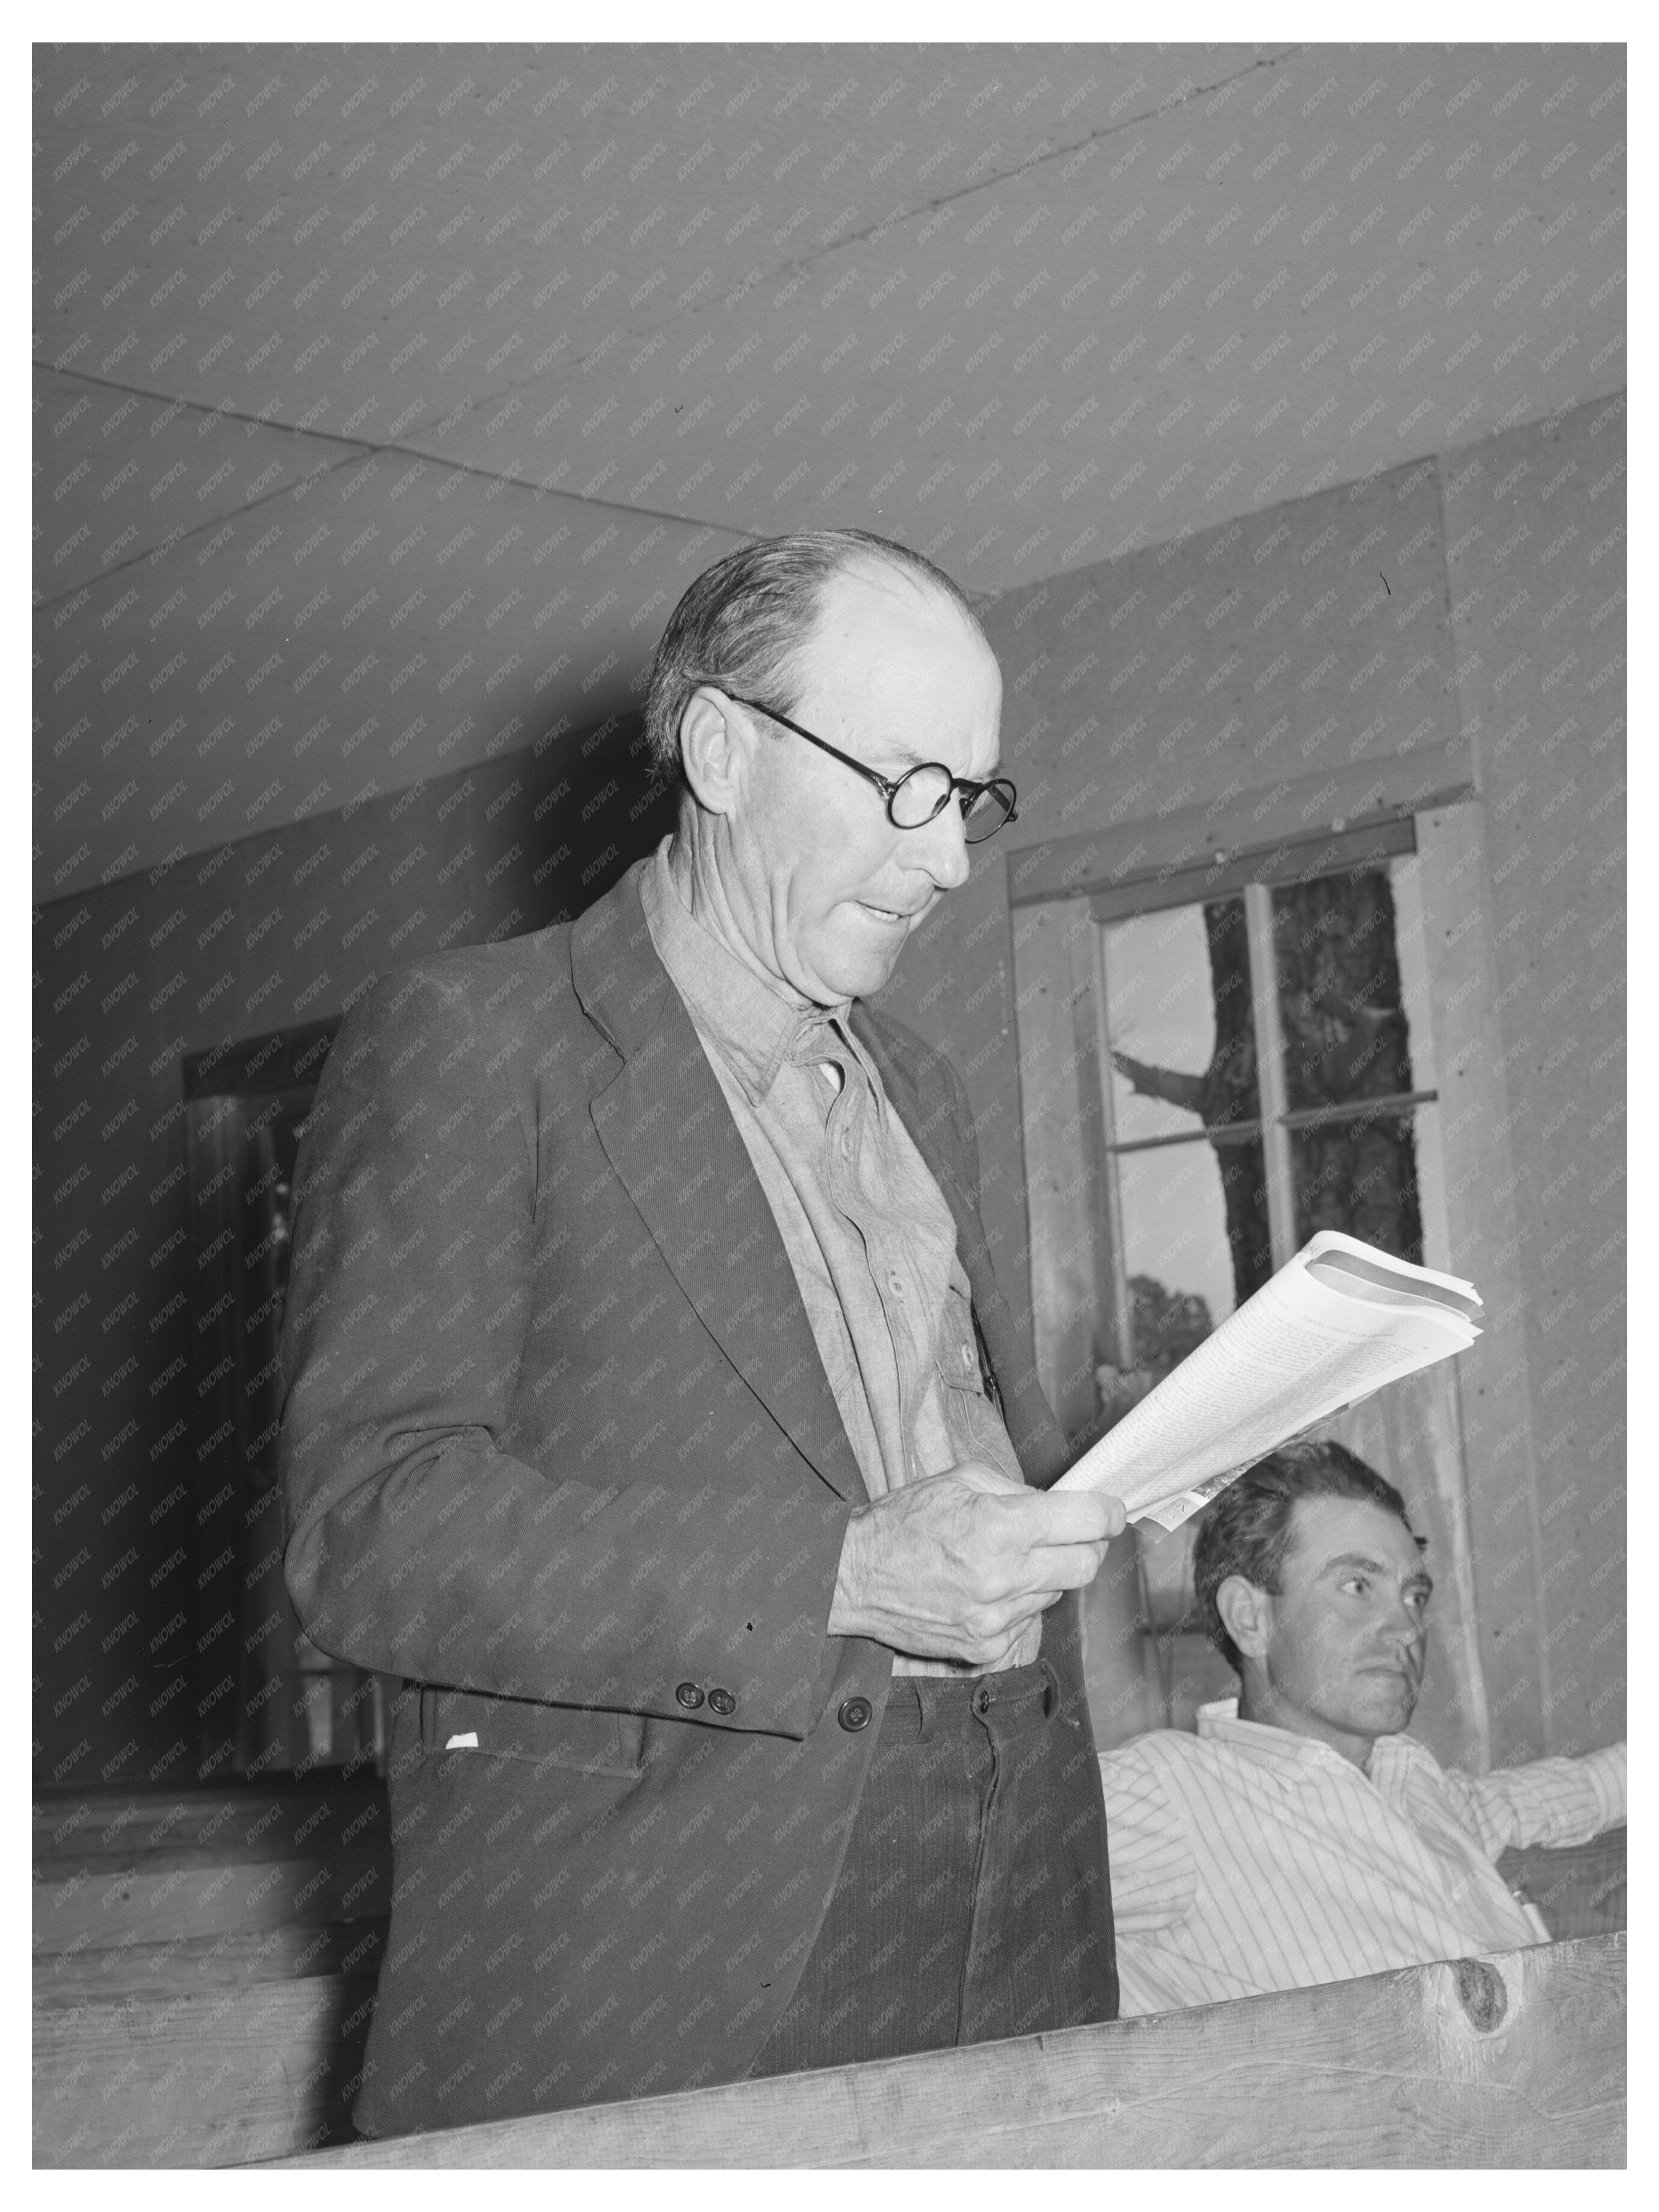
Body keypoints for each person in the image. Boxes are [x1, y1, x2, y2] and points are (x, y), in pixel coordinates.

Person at [277, 528, 1126, 2138]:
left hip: (1017, 1888)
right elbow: (368, 1531)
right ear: (722, 750)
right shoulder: (472, 1041)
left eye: (972, 796)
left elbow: (899, 1449)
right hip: (682, 1943)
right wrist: (841, 1576)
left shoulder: (921, 1085)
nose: (947, 860)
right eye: (903, 784)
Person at [1098, 1441, 1626, 2014]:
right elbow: (1001, 1865)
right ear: (1251, 1619)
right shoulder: (1172, 1793)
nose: (1406, 1626)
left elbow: (1572, 1793)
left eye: (1414, 1594)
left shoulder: (1414, 1781)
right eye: (1356, 1586)